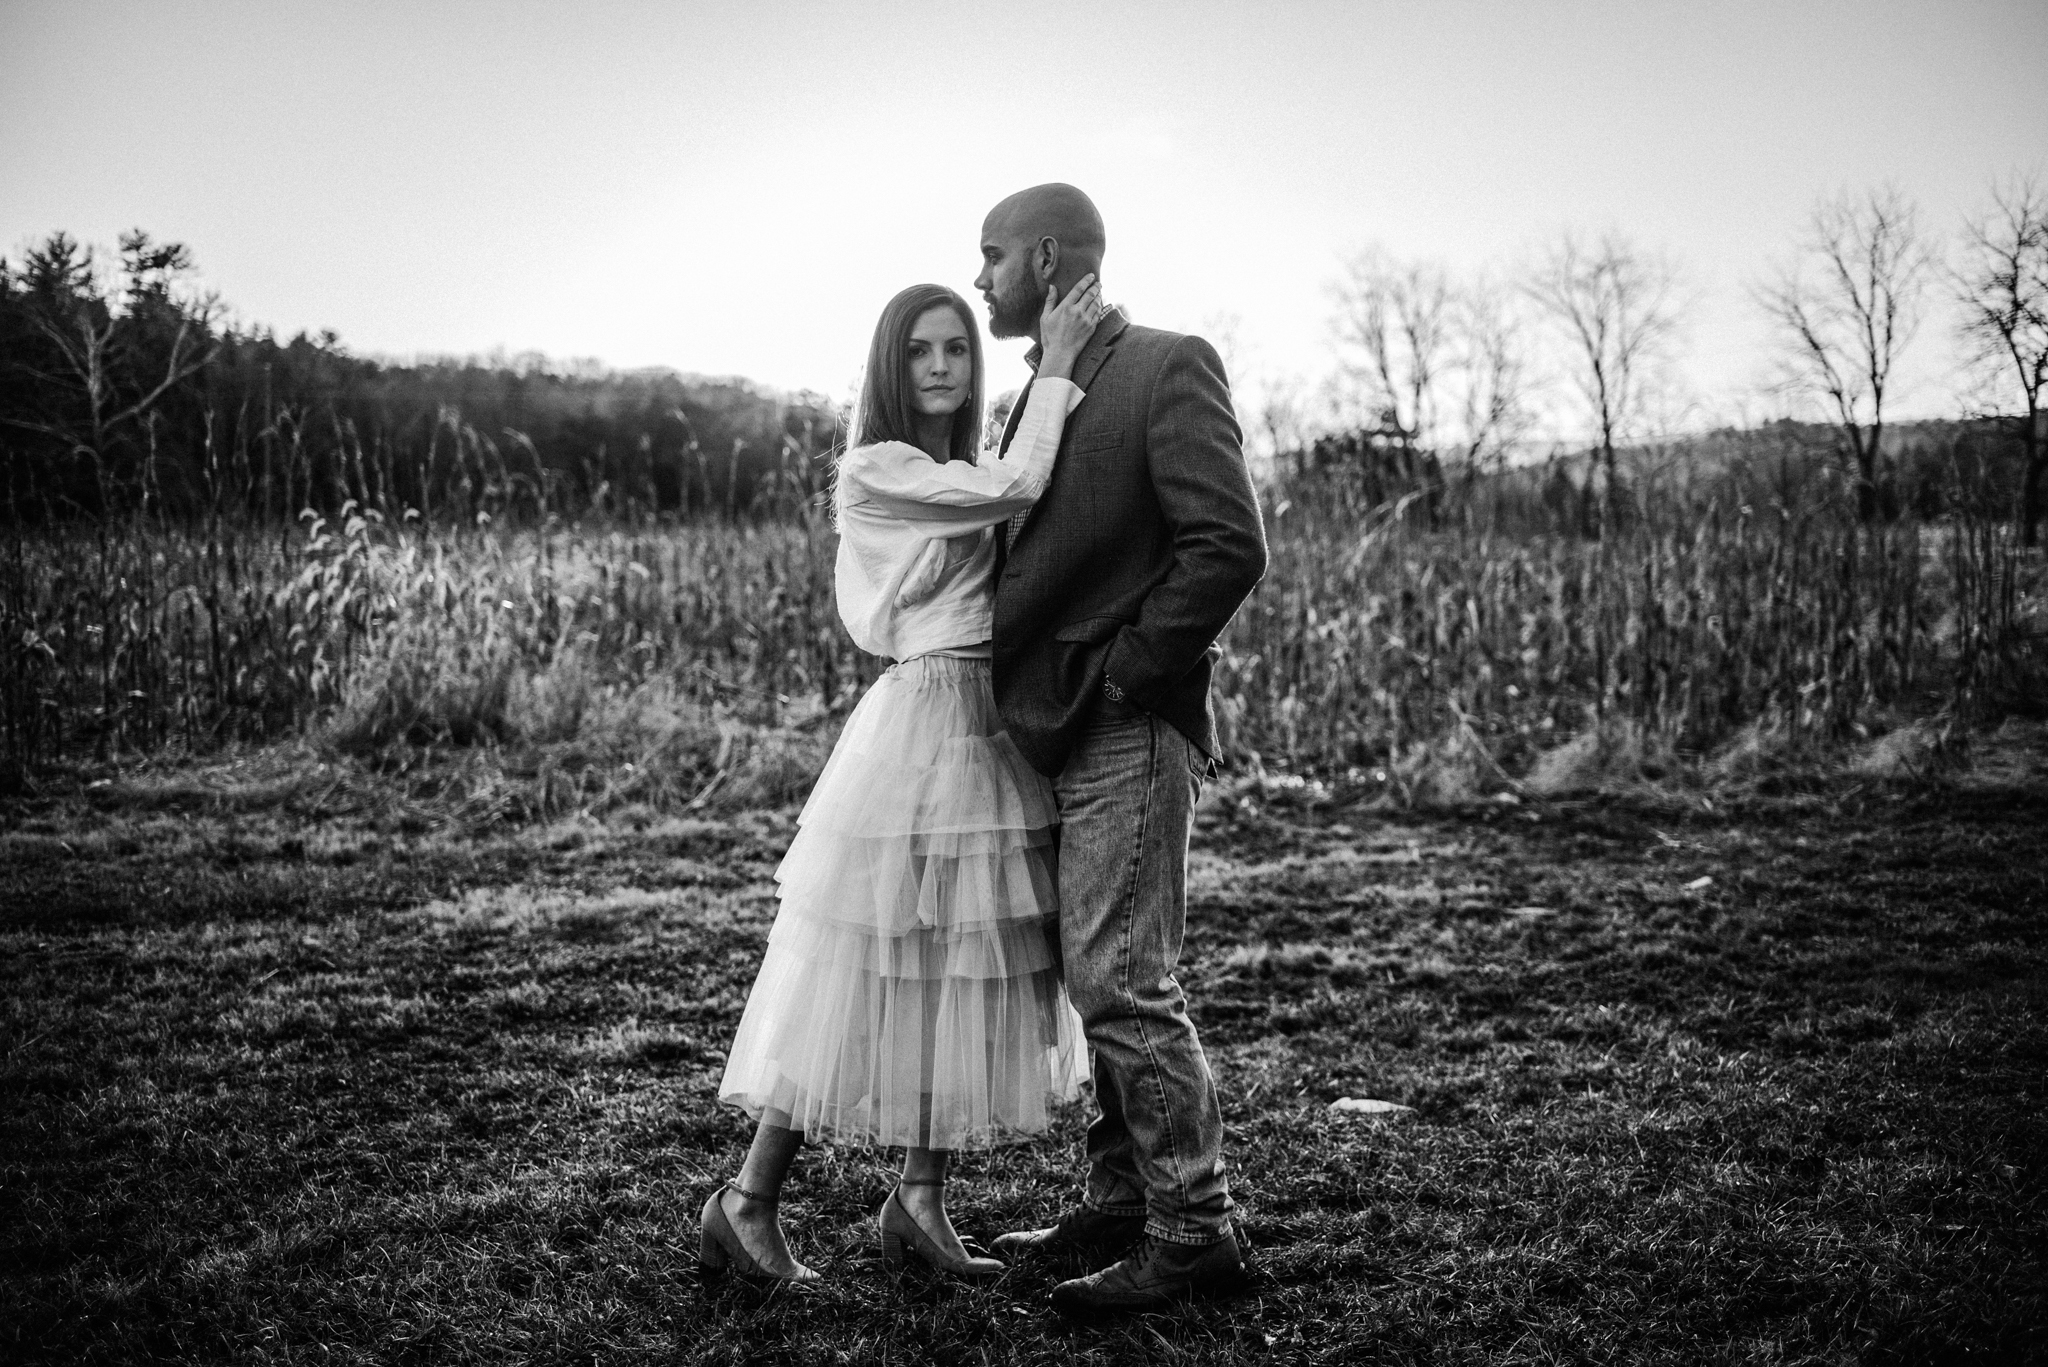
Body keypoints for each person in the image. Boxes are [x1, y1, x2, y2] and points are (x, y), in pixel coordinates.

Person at [702, 274, 1106, 1283]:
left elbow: (1019, 499)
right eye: (921, 349)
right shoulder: (875, 467)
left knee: (960, 958)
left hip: (989, 720)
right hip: (925, 716)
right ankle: (745, 1200)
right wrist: (1054, 365)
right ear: (892, 365)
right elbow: (1013, 489)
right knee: (860, 964)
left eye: (957, 349)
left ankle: (918, 1198)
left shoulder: (967, 461)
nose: (941, 366)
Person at [973, 184, 1269, 1315]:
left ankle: (1196, 1230)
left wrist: (1126, 677)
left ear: (1046, 258)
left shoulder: (1165, 363)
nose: (979, 275)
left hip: (1124, 729)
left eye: (992, 255)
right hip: (1050, 732)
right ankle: (1118, 1197)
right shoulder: (1030, 398)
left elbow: (1226, 544)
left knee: (1121, 979)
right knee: (1091, 979)